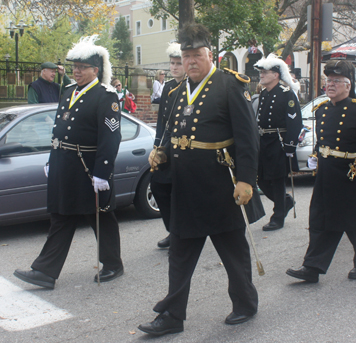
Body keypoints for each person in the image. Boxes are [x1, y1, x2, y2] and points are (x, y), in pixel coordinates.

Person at [138, 23, 259, 336]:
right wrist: (161, 152)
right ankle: (172, 317)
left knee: (233, 251)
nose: (190, 61)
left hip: (221, 186)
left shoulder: (230, 85)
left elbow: (248, 139)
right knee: (180, 253)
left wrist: (246, 180)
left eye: (196, 55)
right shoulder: (177, 92)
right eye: (186, 55)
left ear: (210, 55)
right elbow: (171, 132)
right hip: (186, 187)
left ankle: (245, 303)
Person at [13, 35, 124, 289]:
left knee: (101, 218)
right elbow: (58, 129)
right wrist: (53, 159)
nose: (76, 71)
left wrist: (102, 173)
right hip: (65, 165)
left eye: (82, 67)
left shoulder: (105, 96)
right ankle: (45, 272)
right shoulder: (68, 91)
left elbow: (111, 136)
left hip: (88, 169)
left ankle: (113, 264)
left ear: (95, 70)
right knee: (61, 216)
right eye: (74, 67)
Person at [286, 60, 356, 283]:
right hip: (327, 175)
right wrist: (314, 156)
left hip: (352, 175)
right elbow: (322, 141)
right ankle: (312, 267)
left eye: (336, 81)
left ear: (348, 85)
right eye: (328, 80)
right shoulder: (322, 110)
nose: (330, 85)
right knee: (321, 220)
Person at [253, 54, 302, 231]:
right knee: (263, 180)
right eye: (261, 72)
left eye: (265, 72)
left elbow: (294, 121)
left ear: (276, 75)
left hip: (279, 142)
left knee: (277, 180)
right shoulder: (264, 94)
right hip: (264, 141)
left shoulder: (286, 94)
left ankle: (278, 216)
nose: (262, 75)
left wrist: (290, 145)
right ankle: (286, 202)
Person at [149, 42, 185, 250]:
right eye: (172, 63)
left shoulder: (191, 85)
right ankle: (173, 229)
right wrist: (157, 145)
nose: (174, 67)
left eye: (178, 63)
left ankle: (181, 231)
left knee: (179, 190)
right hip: (167, 143)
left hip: (185, 144)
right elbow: (162, 119)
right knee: (158, 185)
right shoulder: (169, 86)